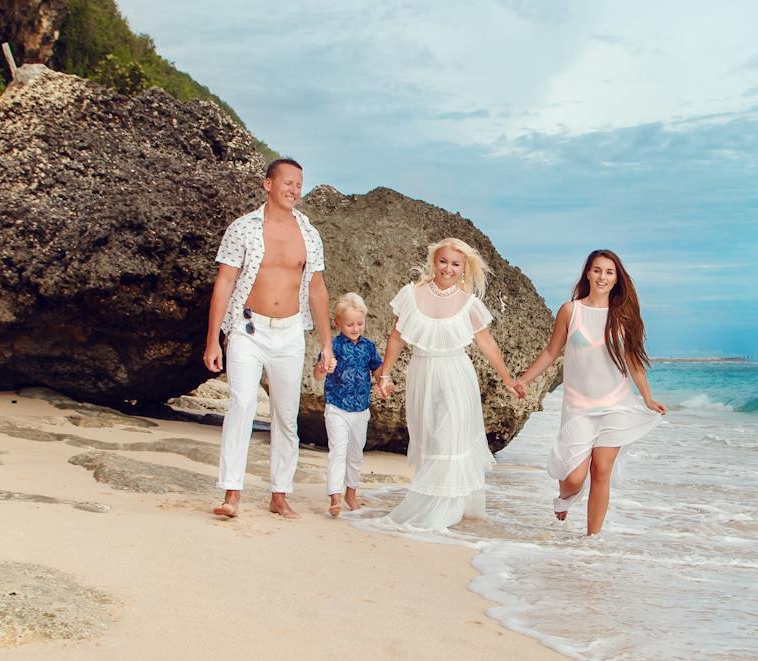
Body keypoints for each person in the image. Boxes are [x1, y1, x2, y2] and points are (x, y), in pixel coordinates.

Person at [202, 158, 334, 519]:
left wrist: (326, 343)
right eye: (288, 183)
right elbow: (225, 282)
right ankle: (232, 492)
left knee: (285, 415)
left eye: (299, 184)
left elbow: (317, 289)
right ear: (268, 185)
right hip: (247, 328)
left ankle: (280, 494)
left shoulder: (309, 234)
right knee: (242, 404)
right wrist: (213, 339)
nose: (294, 190)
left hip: (290, 332)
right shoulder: (243, 228)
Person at [512, 249, 665, 535]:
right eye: (597, 270)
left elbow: (634, 363)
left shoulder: (623, 317)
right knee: (574, 478)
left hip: (617, 405)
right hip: (579, 406)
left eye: (609, 272)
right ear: (587, 273)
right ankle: (565, 497)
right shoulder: (571, 311)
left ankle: (592, 540)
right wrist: (524, 379)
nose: (602, 277)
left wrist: (647, 398)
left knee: (601, 472)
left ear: (617, 279)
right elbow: (550, 351)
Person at [373, 237, 523, 531]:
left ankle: (445, 509)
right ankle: (431, 502)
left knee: (450, 438)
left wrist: (508, 378)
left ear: (464, 269)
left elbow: (486, 343)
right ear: (434, 262)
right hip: (422, 372)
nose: (448, 268)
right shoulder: (411, 294)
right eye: (443, 261)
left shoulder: (469, 304)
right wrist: (385, 375)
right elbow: (397, 336)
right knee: (430, 439)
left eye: (456, 264)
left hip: (456, 373)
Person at [319, 292, 383, 518]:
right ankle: (334, 497)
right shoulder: (333, 345)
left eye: (359, 323)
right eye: (349, 324)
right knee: (338, 451)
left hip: (361, 409)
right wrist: (325, 367)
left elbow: (377, 369)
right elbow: (318, 374)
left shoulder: (368, 346)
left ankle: (351, 494)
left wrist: (384, 381)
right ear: (337, 323)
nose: (355, 328)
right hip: (337, 407)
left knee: (355, 454)